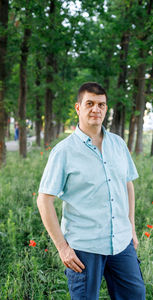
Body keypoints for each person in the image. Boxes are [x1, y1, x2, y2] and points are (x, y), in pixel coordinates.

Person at [37, 82, 146, 300]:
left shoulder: (118, 144)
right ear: (78, 108)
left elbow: (127, 185)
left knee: (135, 295)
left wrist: (131, 227)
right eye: (89, 104)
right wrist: (62, 248)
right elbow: (44, 200)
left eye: (101, 105)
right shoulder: (64, 151)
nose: (96, 109)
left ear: (106, 109)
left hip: (121, 243)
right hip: (84, 248)